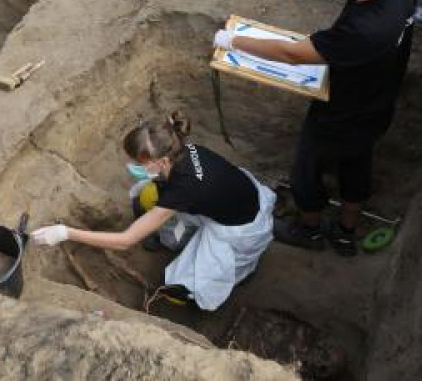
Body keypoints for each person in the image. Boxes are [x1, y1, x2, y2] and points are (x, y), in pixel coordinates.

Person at [213, 0, 416, 255]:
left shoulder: (367, 28)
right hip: (377, 105)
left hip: (340, 112)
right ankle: (345, 230)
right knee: (356, 164)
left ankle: (308, 230)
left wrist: (232, 40)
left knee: (306, 170)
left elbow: (293, 54)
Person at [31, 111, 276, 311]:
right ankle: (173, 238)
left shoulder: (185, 187)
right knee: (147, 195)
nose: (134, 167)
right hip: (228, 197)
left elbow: (126, 241)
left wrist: (65, 233)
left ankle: (241, 273)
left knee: (181, 290)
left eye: (139, 163)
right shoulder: (184, 151)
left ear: (161, 161)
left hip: (239, 227)